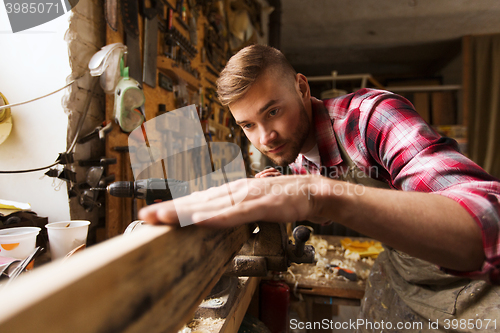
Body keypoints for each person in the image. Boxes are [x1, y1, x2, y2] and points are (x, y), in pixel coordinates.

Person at [139, 45, 500, 332]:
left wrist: (319, 196)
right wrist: (284, 188)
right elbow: (324, 195)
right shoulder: (299, 158)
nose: (265, 137)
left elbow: (487, 216)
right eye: (248, 125)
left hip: (478, 288)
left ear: (301, 87)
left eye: (273, 111)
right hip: (407, 276)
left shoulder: (371, 117)